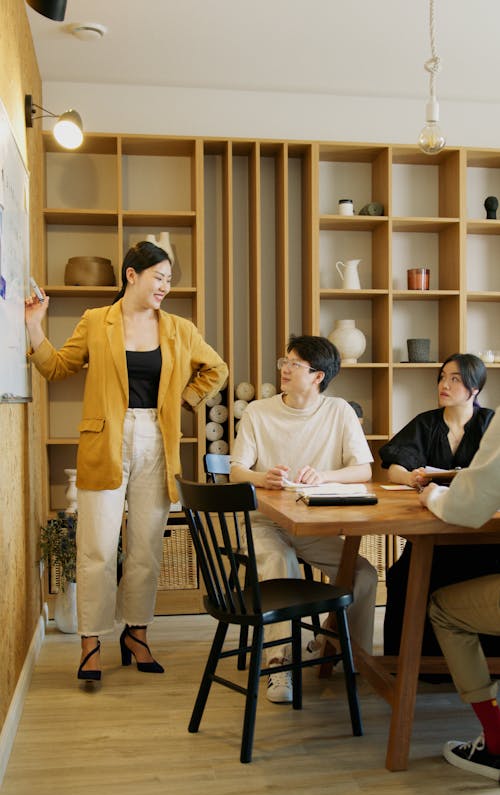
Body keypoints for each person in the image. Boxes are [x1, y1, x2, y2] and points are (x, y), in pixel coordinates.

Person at [25, 241, 228, 684]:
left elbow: (216, 369)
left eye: (169, 280)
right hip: (106, 440)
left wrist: (183, 400)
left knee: (146, 548)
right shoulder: (97, 321)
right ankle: (91, 641)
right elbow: (58, 368)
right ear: (132, 275)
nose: (165, 287)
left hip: (158, 439)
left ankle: (137, 634)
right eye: (159, 277)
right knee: (96, 546)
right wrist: (35, 329)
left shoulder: (178, 328)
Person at [230, 334, 378, 703]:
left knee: (363, 575)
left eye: (294, 364)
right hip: (264, 521)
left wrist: (327, 475)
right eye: (285, 361)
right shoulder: (257, 412)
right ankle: (279, 665)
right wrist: (260, 478)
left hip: (313, 524)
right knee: (282, 567)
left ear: (317, 376)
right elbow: (235, 471)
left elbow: (363, 470)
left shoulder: (339, 411)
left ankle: (338, 650)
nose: (284, 368)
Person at [379, 353, 499, 659]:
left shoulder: (490, 424)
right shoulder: (427, 423)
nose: (444, 384)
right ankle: (411, 661)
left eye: (455, 379)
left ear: (475, 389)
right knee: (402, 576)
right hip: (434, 531)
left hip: (481, 532)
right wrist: (410, 478)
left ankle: (486, 661)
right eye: (442, 377)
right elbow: (393, 464)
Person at [419, 408, 500, 780]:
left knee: (444, 610)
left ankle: (496, 742)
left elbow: (470, 506)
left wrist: (434, 496)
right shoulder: (425, 422)